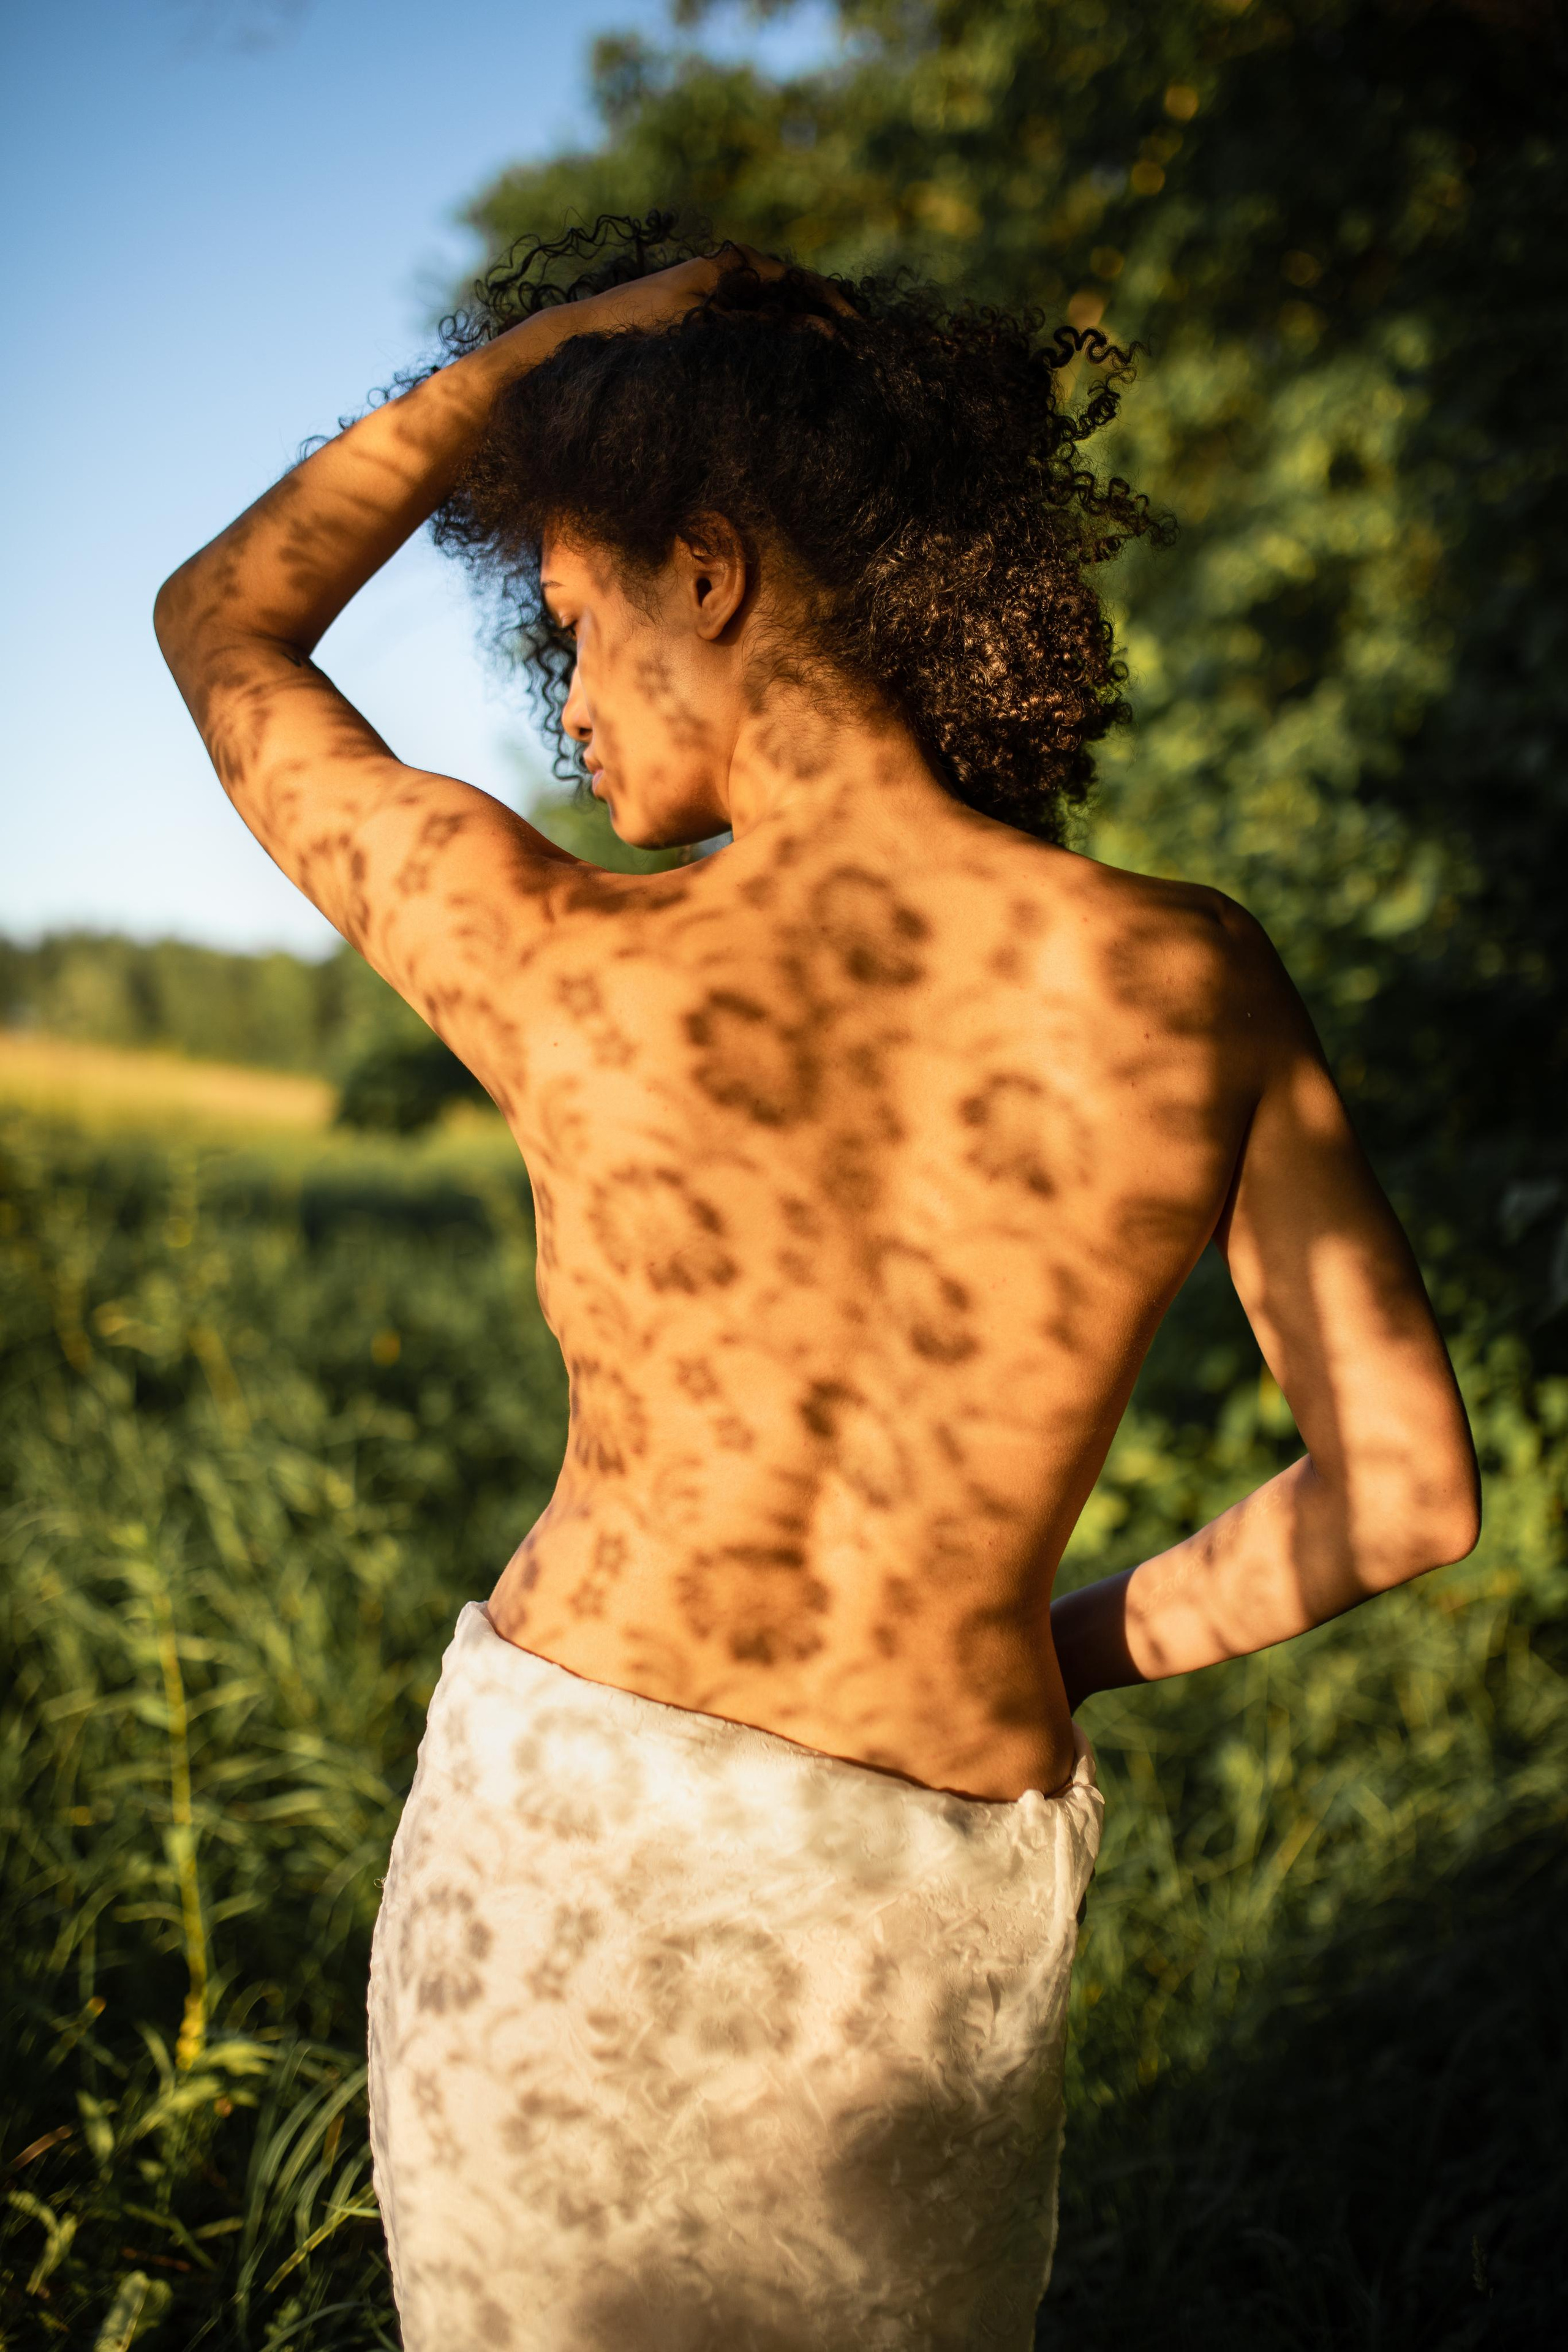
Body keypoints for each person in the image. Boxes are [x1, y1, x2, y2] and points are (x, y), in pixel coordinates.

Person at [154, 220, 1479, 2352]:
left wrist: (549, 352)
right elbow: (1407, 1495)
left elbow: (221, 623)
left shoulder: (564, 960)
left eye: (574, 618)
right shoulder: (1188, 976)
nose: (561, 702)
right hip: (917, 1914)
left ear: (713, 567)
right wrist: (1036, 1652)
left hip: (564, 1851)